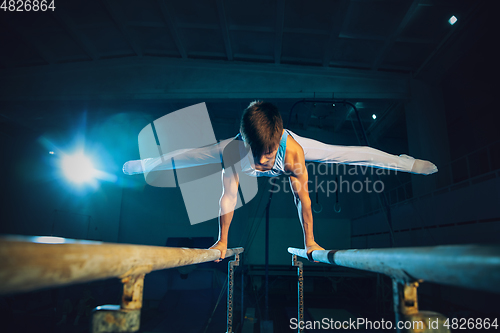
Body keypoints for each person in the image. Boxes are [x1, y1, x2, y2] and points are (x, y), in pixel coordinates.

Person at [123, 101, 438, 261]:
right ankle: (145, 165)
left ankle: (404, 163)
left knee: (350, 153)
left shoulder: (292, 154)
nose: (263, 163)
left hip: (289, 152)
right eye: (258, 154)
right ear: (246, 142)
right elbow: (228, 198)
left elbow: (304, 200)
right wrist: (221, 241)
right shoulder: (235, 151)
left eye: (267, 154)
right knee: (191, 156)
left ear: (276, 142)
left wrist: (310, 242)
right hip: (236, 158)